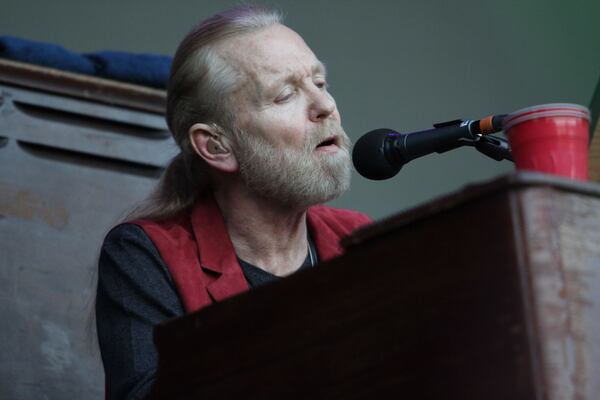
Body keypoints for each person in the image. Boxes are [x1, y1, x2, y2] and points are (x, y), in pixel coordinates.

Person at [95, 5, 371, 399]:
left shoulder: (357, 238)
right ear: (216, 146)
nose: (325, 106)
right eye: (285, 95)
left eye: (320, 82)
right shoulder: (144, 255)